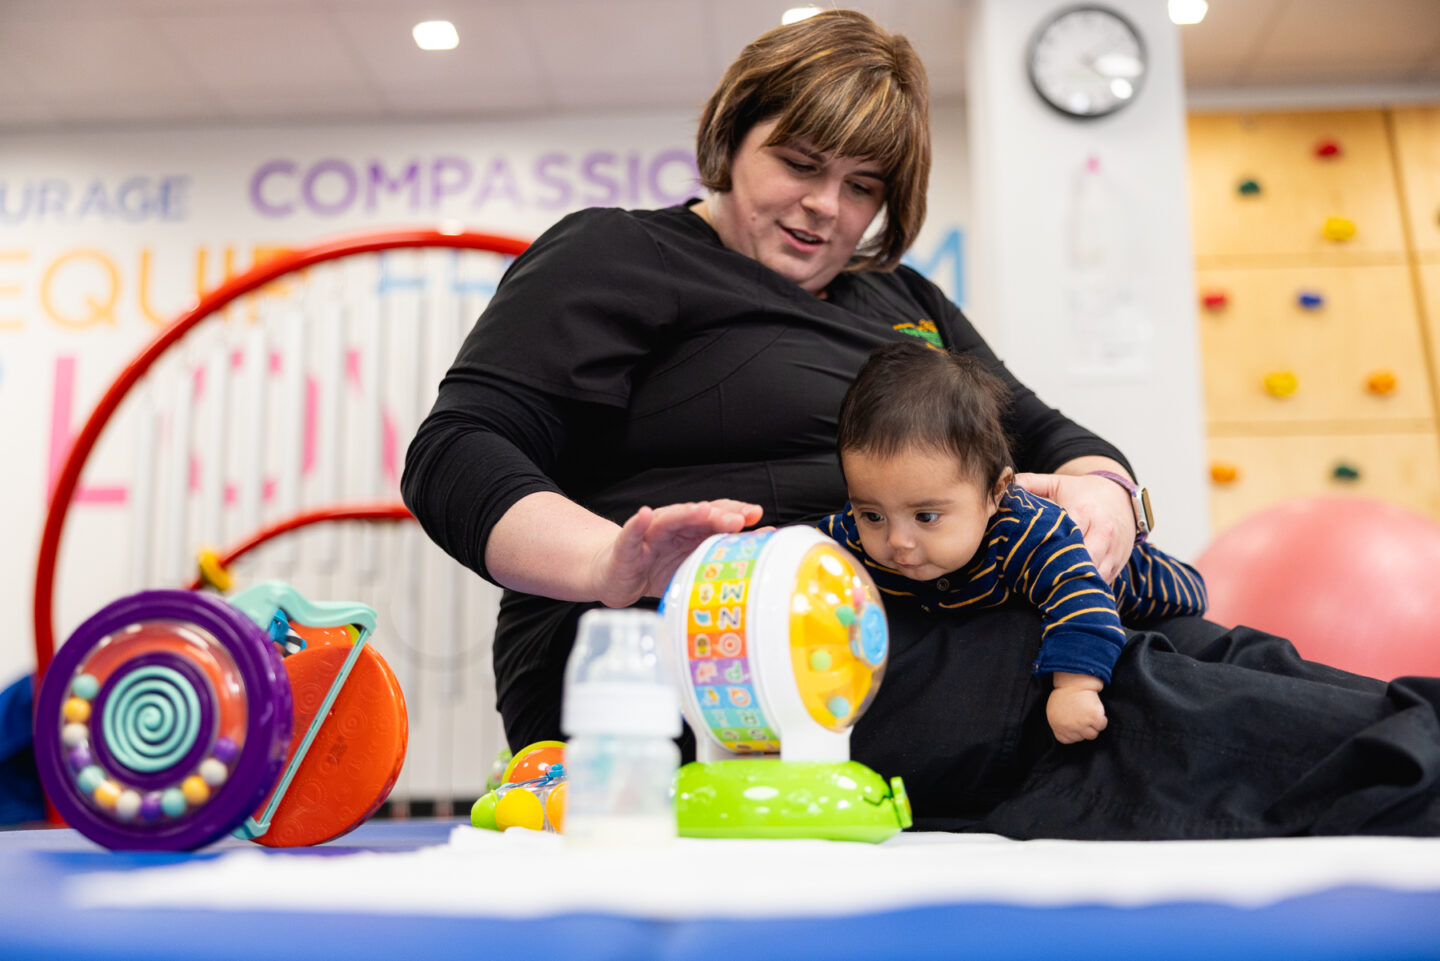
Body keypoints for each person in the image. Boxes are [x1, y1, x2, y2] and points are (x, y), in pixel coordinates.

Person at [403, 9, 1440, 839]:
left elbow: (1042, 428)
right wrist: (609, 563)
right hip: (698, 654)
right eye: (798, 163)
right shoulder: (614, 256)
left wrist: (1103, 488)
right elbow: (456, 454)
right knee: (1149, 699)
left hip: (932, 612)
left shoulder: (898, 298)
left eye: (863, 188)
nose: (824, 208)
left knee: (1225, 654)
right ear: (732, 135)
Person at [815, 341, 1206, 744]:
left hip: (1117, 577)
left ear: (996, 492)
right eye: (873, 516)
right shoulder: (854, 534)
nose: (897, 541)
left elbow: (1083, 604)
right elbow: (812, 547)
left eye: (926, 517)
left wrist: (1074, 690)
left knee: (1180, 596)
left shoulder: (1031, 535)